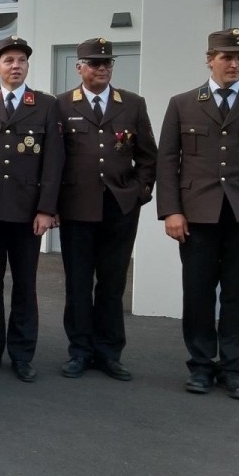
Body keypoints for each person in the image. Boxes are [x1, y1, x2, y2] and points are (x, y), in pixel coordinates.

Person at [157, 27, 239, 400]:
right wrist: (171, 211)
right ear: (209, 59)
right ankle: (200, 366)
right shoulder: (183, 103)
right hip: (197, 215)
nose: (234, 63)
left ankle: (232, 369)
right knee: (197, 293)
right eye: (227, 56)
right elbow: (168, 161)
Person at [56, 38, 158, 382]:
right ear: (78, 67)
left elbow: (148, 155)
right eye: (94, 63)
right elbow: (54, 160)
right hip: (76, 208)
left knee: (112, 284)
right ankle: (80, 351)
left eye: (107, 63)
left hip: (119, 207)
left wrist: (139, 194)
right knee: (78, 284)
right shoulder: (60, 106)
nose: (101, 68)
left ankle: (109, 352)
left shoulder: (131, 104)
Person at [0, 36, 64, 383]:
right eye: (8, 60)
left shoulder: (47, 105)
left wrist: (46, 209)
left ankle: (22, 354)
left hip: (27, 214)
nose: (16, 65)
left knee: (25, 285)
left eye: (21, 60)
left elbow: (53, 162)